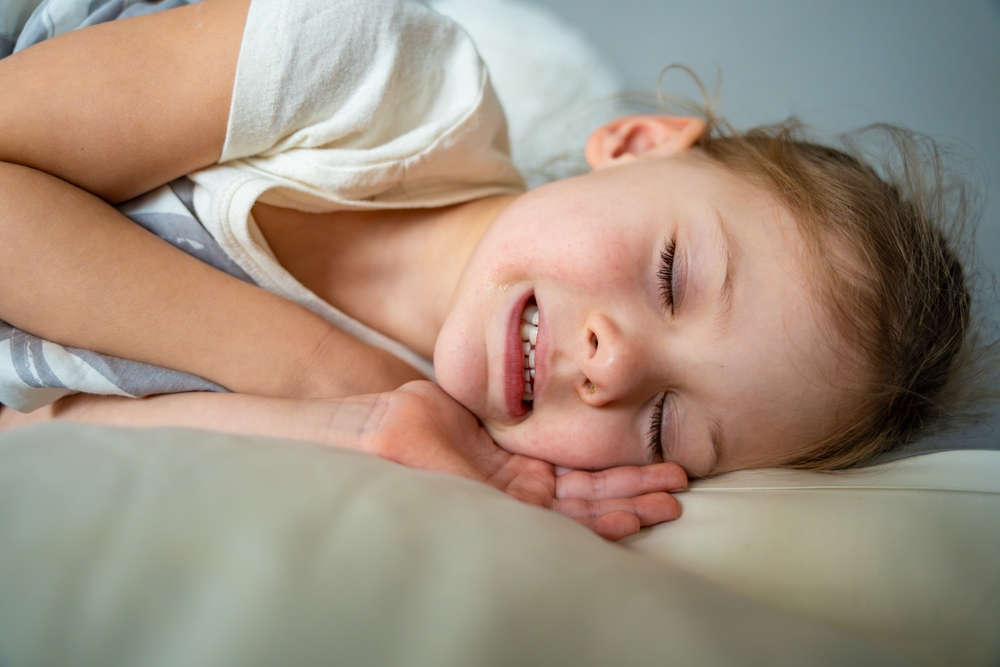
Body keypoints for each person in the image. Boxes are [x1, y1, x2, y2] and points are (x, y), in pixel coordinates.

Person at [0, 0, 980, 540]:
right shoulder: (360, 65)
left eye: (662, 421)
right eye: (673, 276)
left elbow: (48, 419)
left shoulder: (433, 443)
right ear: (635, 142)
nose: (612, 366)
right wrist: (317, 369)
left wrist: (362, 419)